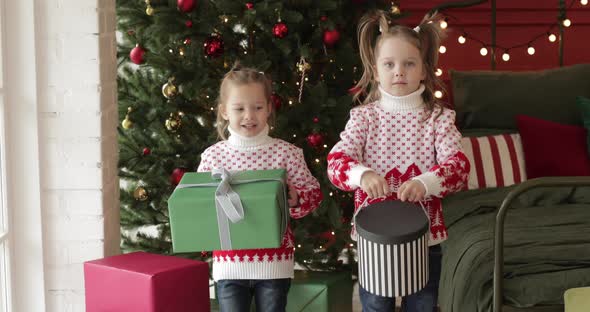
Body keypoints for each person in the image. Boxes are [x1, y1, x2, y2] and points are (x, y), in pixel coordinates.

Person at [327, 10, 470, 312]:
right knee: (376, 306)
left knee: (422, 305)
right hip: (374, 240)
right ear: (376, 71)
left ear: (423, 69)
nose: (399, 72)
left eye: (409, 64)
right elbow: (336, 163)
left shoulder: (438, 119)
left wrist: (425, 182)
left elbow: (458, 168)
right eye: (389, 64)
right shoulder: (364, 118)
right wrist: (362, 175)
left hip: (425, 239)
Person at [197, 62, 323, 312]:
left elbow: (314, 195)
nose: (249, 116)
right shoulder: (213, 157)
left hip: (275, 263)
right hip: (229, 264)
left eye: (257, 107)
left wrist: (296, 199)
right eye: (239, 108)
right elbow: (201, 207)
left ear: (268, 109)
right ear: (224, 111)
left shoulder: (287, 153)